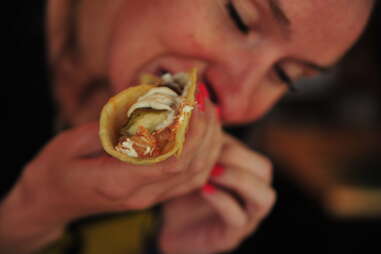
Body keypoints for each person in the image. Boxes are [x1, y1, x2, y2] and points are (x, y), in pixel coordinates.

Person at [0, 0, 376, 253]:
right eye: (239, 18)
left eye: (286, 76)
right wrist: (30, 213)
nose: (236, 95)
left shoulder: (226, 125)